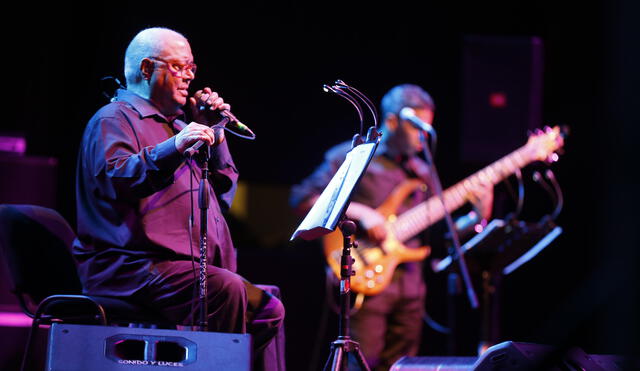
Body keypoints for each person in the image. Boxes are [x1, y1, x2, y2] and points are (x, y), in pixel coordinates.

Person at [74, 27, 284, 370]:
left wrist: (214, 129)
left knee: (266, 306)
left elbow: (223, 191)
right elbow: (117, 179)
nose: (188, 76)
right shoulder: (114, 119)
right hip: (132, 266)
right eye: (178, 67)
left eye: (191, 68)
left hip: (185, 271)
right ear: (146, 69)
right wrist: (174, 146)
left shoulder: (178, 125)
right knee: (227, 291)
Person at [289, 84, 493, 370]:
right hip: (366, 279)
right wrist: (363, 213)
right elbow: (303, 200)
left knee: (404, 364)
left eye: (427, 128)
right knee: (362, 362)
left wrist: (476, 216)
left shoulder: (423, 171)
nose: (423, 137)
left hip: (410, 286)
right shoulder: (349, 156)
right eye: (416, 127)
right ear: (393, 121)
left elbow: (442, 234)